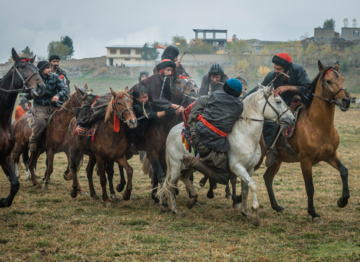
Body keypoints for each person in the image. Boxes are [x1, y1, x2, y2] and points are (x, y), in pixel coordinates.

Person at [254, 52, 312, 167]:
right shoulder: (272, 75)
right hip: (281, 104)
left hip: (300, 101)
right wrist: (244, 99)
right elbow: (259, 89)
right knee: (270, 122)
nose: (276, 71)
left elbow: (308, 87)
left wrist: (287, 88)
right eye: (275, 68)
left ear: (287, 69)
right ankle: (271, 150)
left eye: (279, 69)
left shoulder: (298, 70)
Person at [181, 78, 244, 184]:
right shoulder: (239, 107)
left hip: (199, 131)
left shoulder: (214, 95)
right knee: (223, 178)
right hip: (209, 141)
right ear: (238, 94)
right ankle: (193, 162)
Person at [25, 61, 68, 152]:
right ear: (41, 69)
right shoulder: (35, 79)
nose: (50, 69)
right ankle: (33, 140)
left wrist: (57, 95)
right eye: (47, 68)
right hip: (40, 107)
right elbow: (28, 94)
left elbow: (63, 89)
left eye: (50, 67)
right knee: (40, 121)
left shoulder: (55, 77)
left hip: (54, 105)